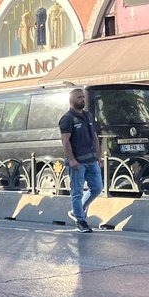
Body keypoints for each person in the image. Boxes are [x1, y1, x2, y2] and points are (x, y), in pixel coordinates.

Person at [60, 88, 102, 234]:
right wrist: (72, 159)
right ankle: (80, 221)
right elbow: (65, 141)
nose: (83, 99)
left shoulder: (88, 115)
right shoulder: (67, 118)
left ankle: (77, 210)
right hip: (78, 162)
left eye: (83, 97)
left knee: (97, 188)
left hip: (91, 160)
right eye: (79, 97)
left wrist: (98, 156)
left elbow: (94, 137)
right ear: (72, 100)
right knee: (77, 192)